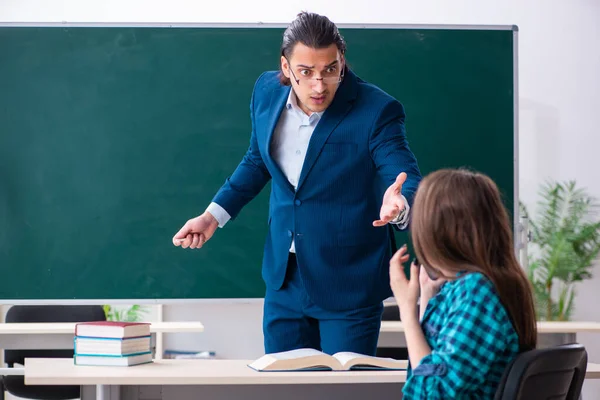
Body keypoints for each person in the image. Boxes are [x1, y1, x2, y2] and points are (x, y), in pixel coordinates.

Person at [173, 12, 422, 356]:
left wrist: (400, 205)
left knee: (342, 393)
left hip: (348, 284)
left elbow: (405, 175)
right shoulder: (265, 92)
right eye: (306, 73)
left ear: (342, 61)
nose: (319, 85)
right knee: (284, 388)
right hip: (284, 281)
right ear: (286, 67)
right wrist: (213, 215)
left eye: (330, 70)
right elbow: (257, 160)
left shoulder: (376, 110)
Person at [389, 168, 537, 399]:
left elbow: (433, 394)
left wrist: (407, 311)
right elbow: (433, 363)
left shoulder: (476, 292)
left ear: (438, 231)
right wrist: (427, 297)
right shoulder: (474, 286)